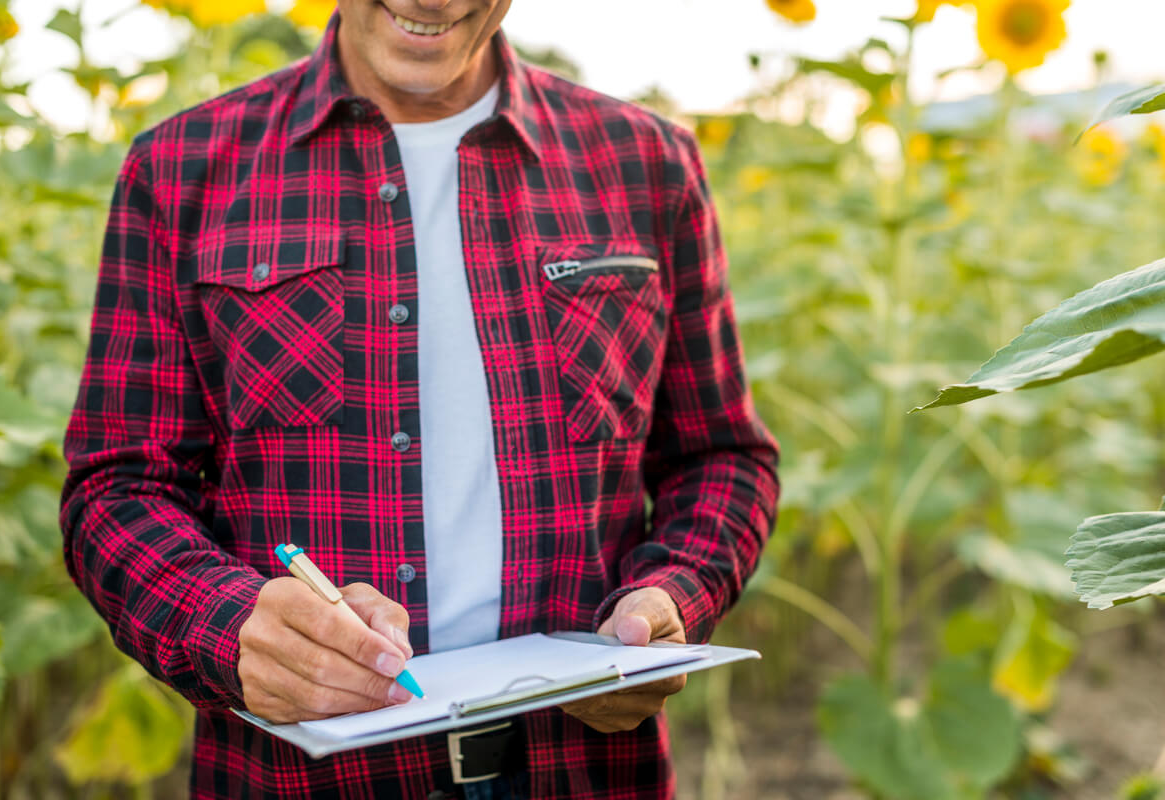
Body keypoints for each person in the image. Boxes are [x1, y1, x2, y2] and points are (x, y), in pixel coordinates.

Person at [58, 1, 780, 797]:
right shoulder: (182, 169)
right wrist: (228, 624)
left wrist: (671, 595)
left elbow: (722, 457)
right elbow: (117, 488)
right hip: (307, 781)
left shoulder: (647, 162)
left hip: (583, 769)